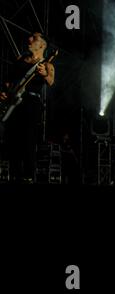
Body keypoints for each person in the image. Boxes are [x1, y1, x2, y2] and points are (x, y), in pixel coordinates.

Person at [0, 32, 55, 183]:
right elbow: (8, 81)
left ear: (42, 45)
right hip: (13, 102)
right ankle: (15, 175)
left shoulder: (47, 64)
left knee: (28, 139)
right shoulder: (20, 60)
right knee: (12, 139)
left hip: (31, 104)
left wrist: (44, 74)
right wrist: (4, 93)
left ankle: (28, 176)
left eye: (34, 38)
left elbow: (50, 81)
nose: (29, 39)